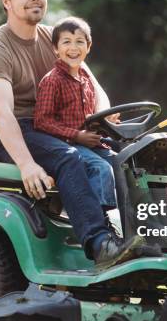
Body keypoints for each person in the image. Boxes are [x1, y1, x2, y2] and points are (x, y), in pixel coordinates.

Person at [0, 0, 146, 269]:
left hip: (50, 129)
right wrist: (26, 164)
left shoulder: (55, 38)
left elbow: (94, 87)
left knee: (133, 154)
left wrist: (101, 120)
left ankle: (152, 235)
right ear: (6, 1)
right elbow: (2, 114)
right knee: (70, 158)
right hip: (4, 134)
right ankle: (100, 244)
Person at [34, 16, 117, 214]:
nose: (73, 47)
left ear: (88, 47)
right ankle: (101, 222)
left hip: (90, 143)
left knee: (125, 164)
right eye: (66, 42)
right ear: (55, 48)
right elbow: (41, 121)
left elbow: (88, 117)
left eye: (80, 42)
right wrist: (76, 135)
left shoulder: (86, 78)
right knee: (100, 168)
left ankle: (134, 220)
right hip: (66, 145)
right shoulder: (52, 81)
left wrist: (105, 122)